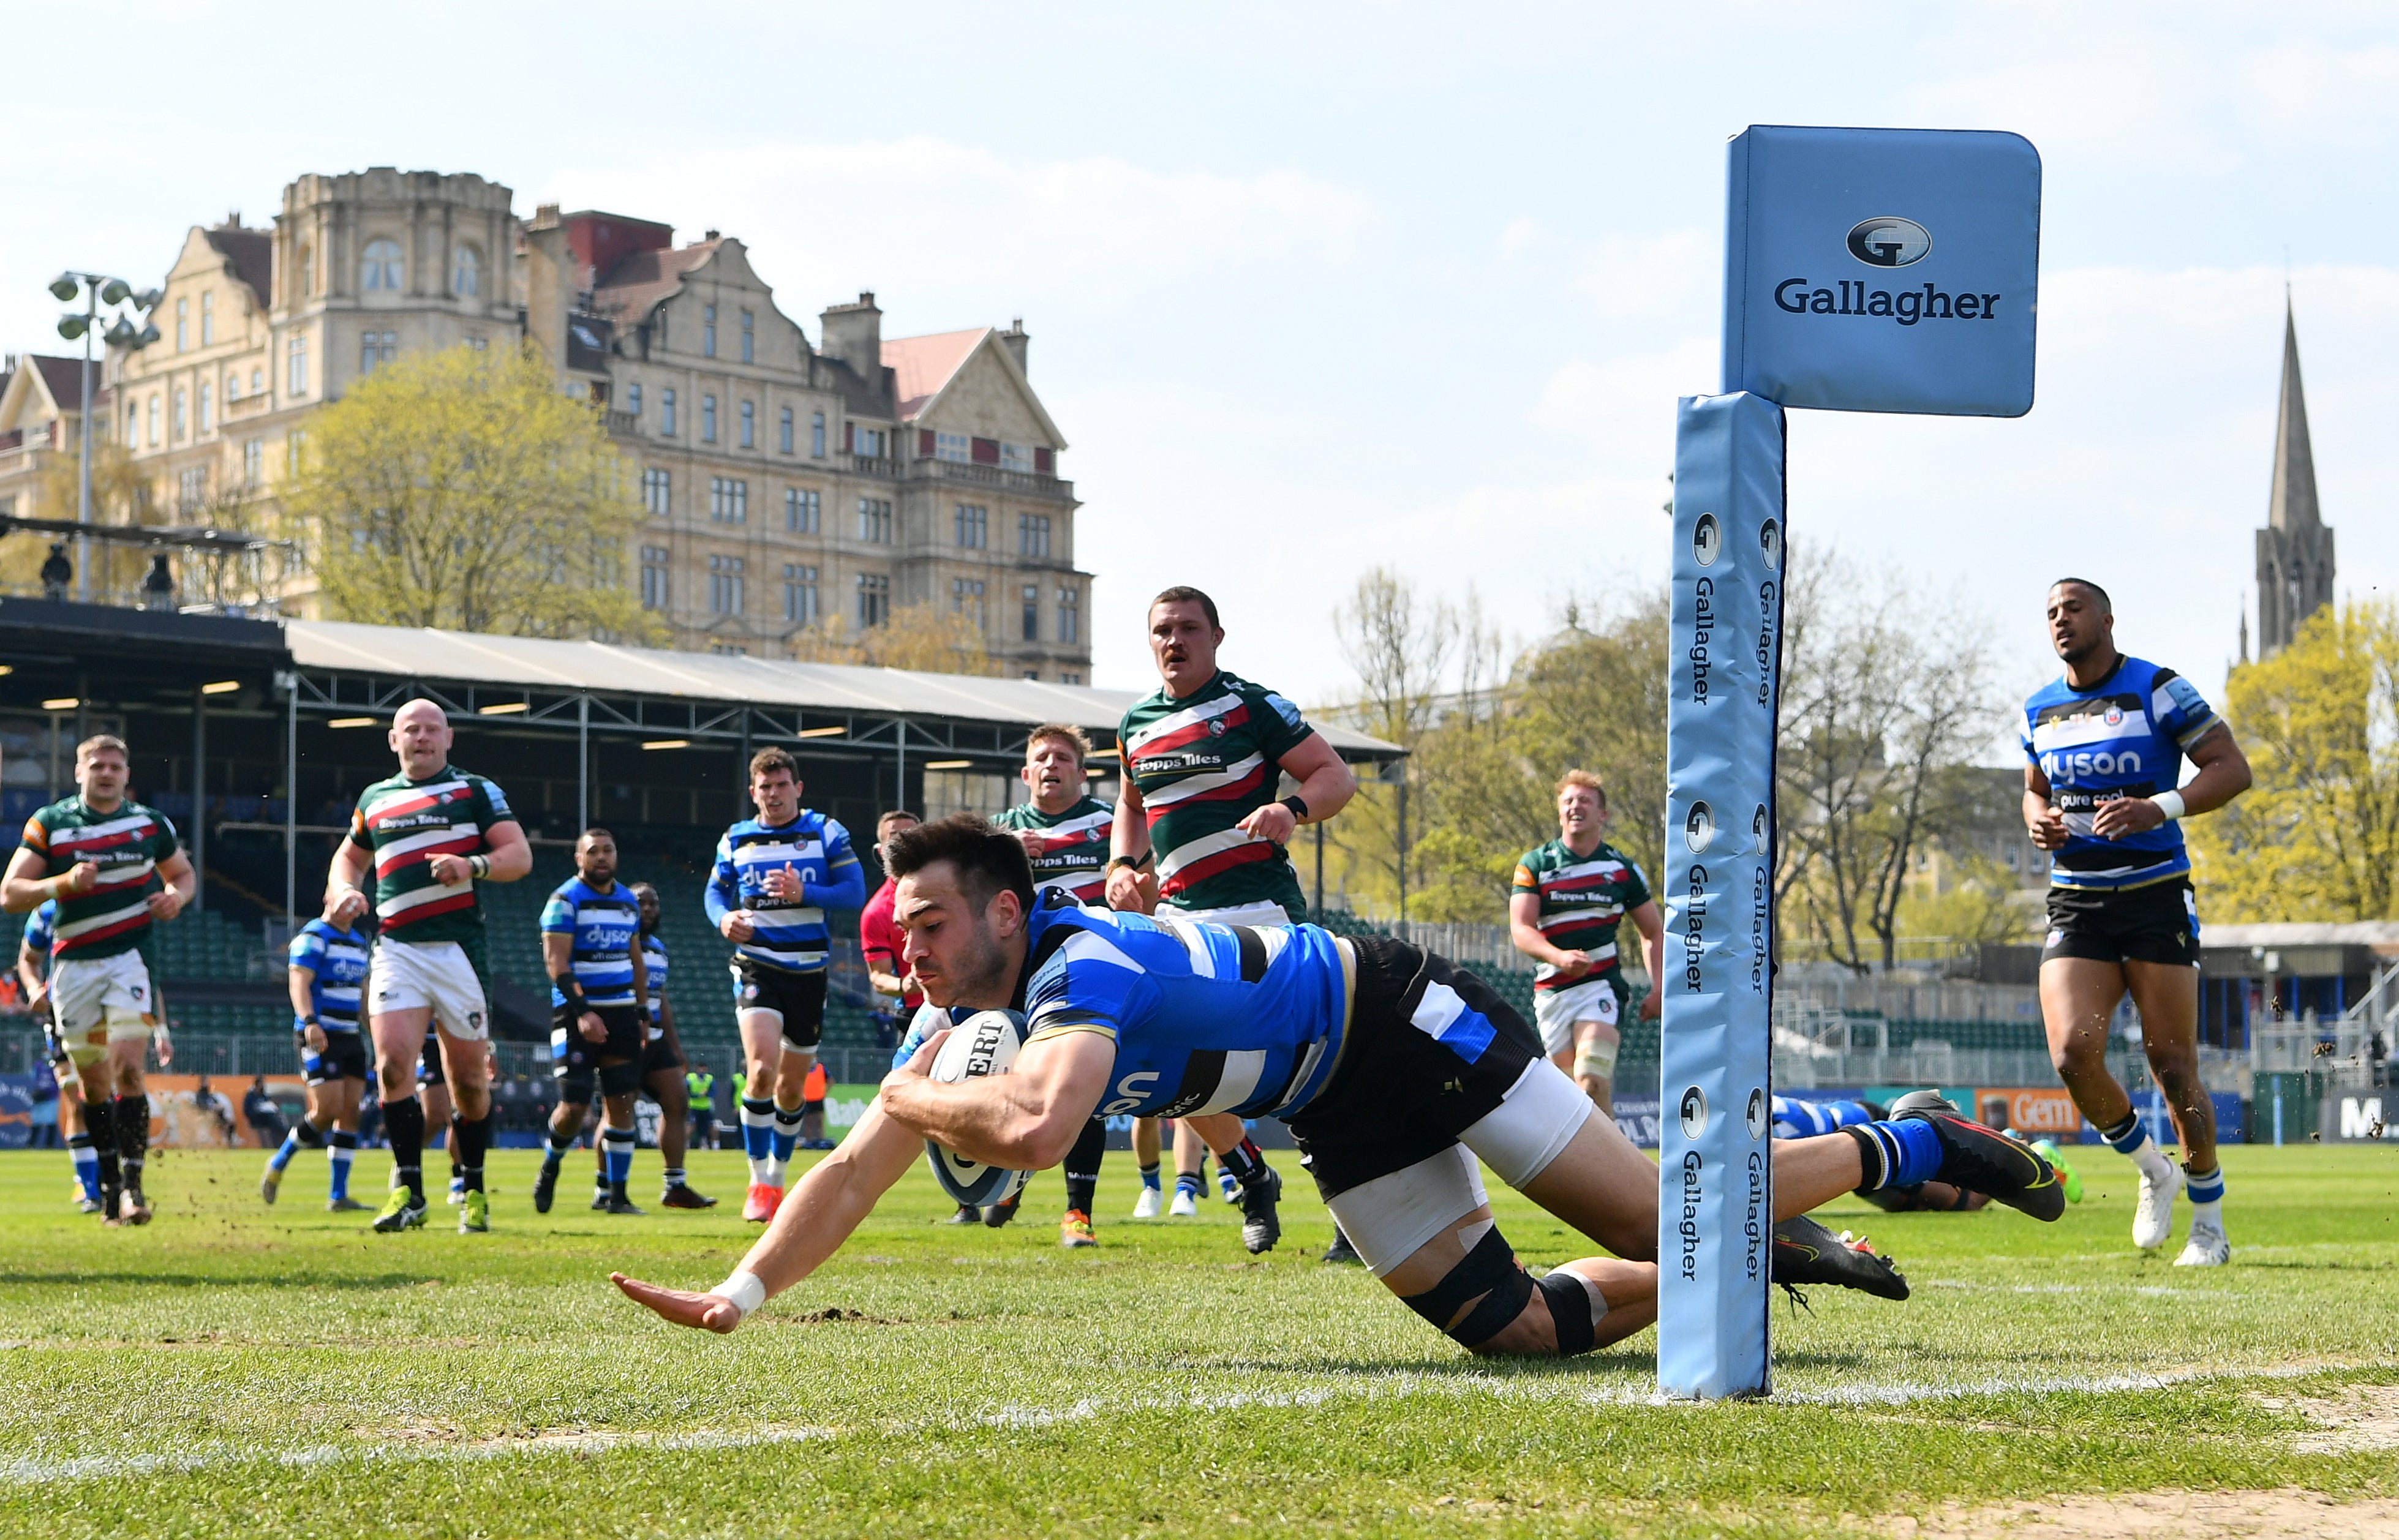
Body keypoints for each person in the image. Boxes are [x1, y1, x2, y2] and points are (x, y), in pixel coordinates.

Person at [612, 816, 2065, 1346]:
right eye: (901, 932)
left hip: (1392, 1016)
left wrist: (914, 1091)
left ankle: (1898, 1139)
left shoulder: (1085, 969)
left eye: (931, 924)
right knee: (1506, 1326)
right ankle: (1739, 1268)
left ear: (1003, 909)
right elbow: (854, 1166)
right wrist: (739, 1291)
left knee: (1642, 1216)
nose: (912, 954)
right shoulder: (977, 1012)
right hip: (1327, 1096)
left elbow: (1032, 1128)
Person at [1109, 587, 1357, 1256]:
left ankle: (1352, 1210)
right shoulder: (1134, 722)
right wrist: (1121, 865)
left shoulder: (1250, 705)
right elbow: (1130, 804)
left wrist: (1294, 809)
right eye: (1162, 629)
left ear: (1217, 637)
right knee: (1164, 1062)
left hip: (1261, 914)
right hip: (1180, 919)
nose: (1174, 640)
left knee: (1310, 1068)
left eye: (1189, 628)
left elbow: (1335, 775)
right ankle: (1251, 1174)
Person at [2025, 579, 2251, 1267]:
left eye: (2072, 608)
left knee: (2172, 1064)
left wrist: (2160, 808)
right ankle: (2151, 1168)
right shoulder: (2038, 708)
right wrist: (2034, 820)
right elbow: (2034, 787)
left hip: (2154, 896)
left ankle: (2208, 1224)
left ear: (2105, 618)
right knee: (2071, 1054)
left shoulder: (2158, 688)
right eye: (2050, 613)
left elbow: (2230, 768)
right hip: (2077, 900)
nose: (2060, 620)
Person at [325, 699, 531, 1234]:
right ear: (394, 741)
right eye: (410, 729)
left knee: (467, 1083)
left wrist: (472, 864)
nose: (421, 737)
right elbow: (349, 857)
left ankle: (474, 1189)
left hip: (458, 951)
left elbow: (519, 854)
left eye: (431, 729)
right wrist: (345, 889)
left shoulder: (474, 790)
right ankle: (410, 1193)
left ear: (449, 737)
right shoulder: (376, 798)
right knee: (393, 1067)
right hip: (397, 949)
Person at [2, 734, 195, 1225]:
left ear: (127, 774)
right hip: (74, 969)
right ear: (78, 771)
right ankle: (109, 1188)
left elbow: (183, 875)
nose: (106, 773)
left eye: (114, 766)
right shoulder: (51, 823)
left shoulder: (150, 824)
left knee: (130, 1070)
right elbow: (10, 892)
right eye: (97, 765)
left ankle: (133, 1188)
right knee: (93, 1087)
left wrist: (176, 896)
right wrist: (63, 883)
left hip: (130, 960)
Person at [704, 748, 865, 1223]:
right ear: (752, 792)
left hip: (809, 972)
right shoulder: (736, 837)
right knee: (759, 1069)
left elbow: (854, 892)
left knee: (792, 1087)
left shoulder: (825, 831)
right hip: (757, 964)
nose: (772, 795)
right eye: (764, 787)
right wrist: (724, 918)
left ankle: (777, 1174)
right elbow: (714, 891)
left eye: (781, 786)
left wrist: (805, 893)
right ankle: (759, 1182)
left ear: (797, 788)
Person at [992, 724, 1120, 1247]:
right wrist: (1003, 853)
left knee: (1079, 1090)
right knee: (1009, 1079)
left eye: (1062, 758)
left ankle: (1077, 1213)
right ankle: (1007, 1179)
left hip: (1087, 970)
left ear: (1081, 772)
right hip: (1019, 976)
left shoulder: (1106, 823)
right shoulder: (1002, 829)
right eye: (1041, 758)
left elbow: (1134, 878)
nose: (1051, 765)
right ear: (1025, 774)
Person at [1508, 771, 1663, 1117]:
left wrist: (1659, 988)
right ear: (1560, 812)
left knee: (1591, 1079)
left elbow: (1653, 931)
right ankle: (1607, 1159)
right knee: (1572, 1103)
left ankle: (1615, 1170)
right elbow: (1521, 928)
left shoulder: (1621, 869)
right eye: (1568, 801)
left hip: (1600, 987)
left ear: (1602, 815)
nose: (1575, 806)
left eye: (1584, 801)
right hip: (1552, 993)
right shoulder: (1536, 864)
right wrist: (1558, 957)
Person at [532, 829, 650, 1217]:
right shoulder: (564, 901)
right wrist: (584, 1013)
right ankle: (551, 1164)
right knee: (574, 1107)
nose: (602, 857)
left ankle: (616, 1195)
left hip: (622, 1013)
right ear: (578, 858)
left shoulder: (628, 903)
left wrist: (643, 1012)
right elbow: (556, 964)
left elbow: (636, 962)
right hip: (575, 1013)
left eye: (608, 851)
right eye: (593, 852)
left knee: (622, 1104)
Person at [864, 809, 962, 1218]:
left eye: (911, 835)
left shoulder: (950, 886)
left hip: (964, 1001)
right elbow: (878, 978)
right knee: (936, 1099)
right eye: (894, 838)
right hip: (915, 1012)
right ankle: (966, 1195)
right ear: (879, 850)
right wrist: (902, 984)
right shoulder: (875, 912)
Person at [262, 911, 371, 1211]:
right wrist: (309, 1021)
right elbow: (298, 982)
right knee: (327, 1110)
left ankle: (338, 1195)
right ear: (328, 899)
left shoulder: (359, 943)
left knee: (350, 1112)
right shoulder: (313, 936)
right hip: (319, 1034)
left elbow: (363, 994)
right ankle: (280, 1161)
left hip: (350, 1036)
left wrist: (375, 1032)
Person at [628, 880, 712, 1208]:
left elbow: (661, 998)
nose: (647, 909)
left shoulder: (659, 949)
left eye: (653, 903)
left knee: (677, 1102)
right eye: (640, 903)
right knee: (619, 1109)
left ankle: (674, 1185)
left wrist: (676, 1048)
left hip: (658, 1039)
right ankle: (606, 1188)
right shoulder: (619, 944)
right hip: (626, 1037)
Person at [18, 898, 100, 1211]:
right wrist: (33, 988)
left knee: (104, 1097)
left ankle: (114, 1178)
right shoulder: (46, 912)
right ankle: (89, 1189)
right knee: (73, 1094)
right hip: (61, 1012)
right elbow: (27, 959)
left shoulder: (115, 902)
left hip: (104, 1008)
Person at [241, 1074, 286, 1149]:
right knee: (272, 1120)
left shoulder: (264, 1095)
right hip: (255, 1119)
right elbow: (247, 1110)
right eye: (262, 1083)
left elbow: (269, 1104)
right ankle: (283, 1134)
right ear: (258, 1084)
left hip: (267, 1119)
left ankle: (278, 1141)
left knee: (274, 1119)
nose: (263, 1085)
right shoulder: (251, 1096)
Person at [686, 1058, 718, 1153]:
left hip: (706, 1107)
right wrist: (698, 1095)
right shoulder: (690, 1078)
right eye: (700, 1069)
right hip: (694, 1107)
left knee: (711, 1126)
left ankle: (714, 1146)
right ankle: (686, 1145)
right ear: (696, 1069)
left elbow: (713, 1092)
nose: (702, 1071)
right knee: (691, 1126)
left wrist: (706, 1094)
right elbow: (687, 1092)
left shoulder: (710, 1078)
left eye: (704, 1069)